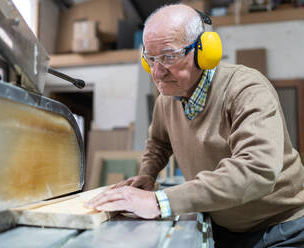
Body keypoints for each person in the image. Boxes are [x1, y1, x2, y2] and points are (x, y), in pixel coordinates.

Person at [86, 4, 304, 247]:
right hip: (223, 225)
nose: (157, 73)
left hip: (281, 227)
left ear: (204, 51)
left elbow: (257, 169)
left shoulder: (246, 89)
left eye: (169, 56)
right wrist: (147, 175)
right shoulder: (166, 99)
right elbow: (159, 142)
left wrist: (160, 202)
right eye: (150, 58)